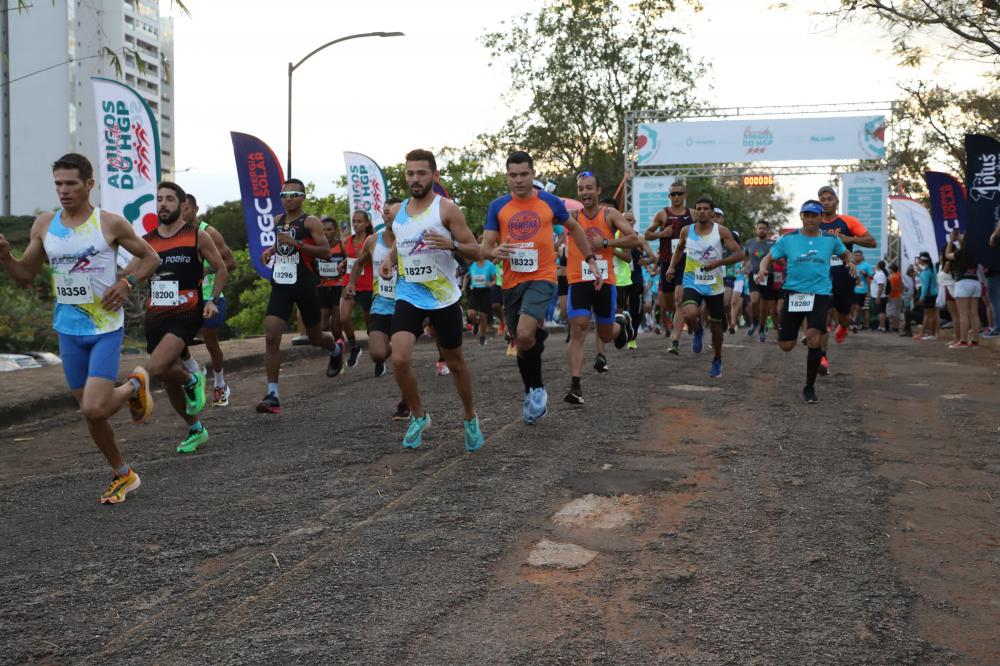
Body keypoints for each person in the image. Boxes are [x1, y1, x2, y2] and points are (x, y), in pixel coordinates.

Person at [0, 153, 159, 503]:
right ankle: (123, 474)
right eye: (58, 184)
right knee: (92, 414)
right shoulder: (44, 225)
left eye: (71, 183)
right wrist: (7, 257)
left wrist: (127, 282)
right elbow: (25, 275)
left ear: (89, 184)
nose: (64, 190)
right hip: (68, 330)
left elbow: (151, 257)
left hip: (105, 328)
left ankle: (134, 385)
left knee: (93, 408)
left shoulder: (110, 223)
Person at [482, 151, 599, 424]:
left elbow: (575, 229)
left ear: (533, 174)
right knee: (522, 342)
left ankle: (536, 392)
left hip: (542, 277)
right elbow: (485, 247)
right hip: (511, 282)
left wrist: (591, 259)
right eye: (513, 175)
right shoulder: (498, 206)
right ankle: (533, 389)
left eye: (524, 174)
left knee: (524, 335)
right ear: (507, 177)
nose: (519, 180)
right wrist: (494, 251)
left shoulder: (549, 201)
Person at [380, 149, 483, 451]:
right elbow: (402, 242)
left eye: (421, 173)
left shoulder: (447, 209)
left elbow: (476, 250)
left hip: (443, 298)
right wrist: (389, 260)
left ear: (434, 176)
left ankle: (470, 416)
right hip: (409, 293)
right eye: (410, 173)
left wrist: (451, 244)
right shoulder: (398, 212)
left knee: (456, 363)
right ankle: (419, 415)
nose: (415, 179)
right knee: (399, 358)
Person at [132, 182, 228, 454]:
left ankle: (192, 379)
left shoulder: (197, 235)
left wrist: (212, 300)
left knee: (157, 366)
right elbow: (129, 272)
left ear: (182, 204)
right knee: (167, 378)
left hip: (187, 309)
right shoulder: (146, 241)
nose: (163, 204)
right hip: (156, 313)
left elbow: (222, 269)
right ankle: (195, 429)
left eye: (169, 199)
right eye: (159, 199)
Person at [256, 178, 344, 414]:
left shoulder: (310, 222)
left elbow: (326, 252)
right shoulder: (278, 220)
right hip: (281, 284)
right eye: (285, 195)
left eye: (294, 195)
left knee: (315, 337)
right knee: (271, 336)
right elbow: (282, 245)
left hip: (305, 285)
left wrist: (297, 244)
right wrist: (270, 251)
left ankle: (335, 350)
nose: (289, 199)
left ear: (303, 197)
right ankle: (272, 395)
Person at [760, 200, 853, 404]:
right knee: (786, 345)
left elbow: (845, 252)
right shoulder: (788, 239)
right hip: (794, 293)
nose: (810, 219)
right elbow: (768, 258)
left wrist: (850, 262)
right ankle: (798, 336)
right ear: (801, 217)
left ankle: (809, 387)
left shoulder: (830, 239)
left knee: (814, 338)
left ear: (821, 218)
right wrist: (762, 269)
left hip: (819, 293)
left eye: (814, 215)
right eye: (807, 215)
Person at [563, 173, 638, 404]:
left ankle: (621, 326)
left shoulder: (610, 214)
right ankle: (575, 386)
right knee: (578, 327)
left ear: (598, 190)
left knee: (605, 334)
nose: (585, 192)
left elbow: (634, 239)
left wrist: (606, 242)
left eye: (589, 188)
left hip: (604, 281)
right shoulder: (572, 217)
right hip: (578, 278)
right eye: (581, 189)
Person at [665, 197, 745, 378]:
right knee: (689, 313)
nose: (702, 211)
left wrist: (718, 263)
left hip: (714, 284)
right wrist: (671, 267)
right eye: (698, 208)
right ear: (695, 212)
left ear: (711, 213)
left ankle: (717, 359)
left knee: (716, 327)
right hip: (692, 280)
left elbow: (739, 254)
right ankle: (698, 330)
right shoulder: (687, 231)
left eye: (705, 209)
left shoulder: (721, 231)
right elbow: (679, 250)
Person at [347, 198, 409, 419]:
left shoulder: (411, 238)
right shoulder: (373, 240)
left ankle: (406, 402)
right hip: (381, 303)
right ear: (382, 216)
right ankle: (395, 351)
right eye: (386, 212)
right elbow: (359, 263)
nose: (389, 215)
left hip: (406, 305)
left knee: (401, 359)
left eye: (394, 212)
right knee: (377, 354)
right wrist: (351, 283)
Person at [178, 193, 237, 407]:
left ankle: (220, 383)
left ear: (195, 210)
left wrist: (206, 269)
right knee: (174, 341)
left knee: (211, 341)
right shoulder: (174, 233)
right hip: (184, 296)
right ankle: (196, 370)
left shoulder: (208, 232)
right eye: (179, 209)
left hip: (209, 296)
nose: (181, 213)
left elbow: (231, 263)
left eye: (185, 209)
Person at [817, 185, 876, 371]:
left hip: (843, 272)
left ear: (836, 201)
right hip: (820, 273)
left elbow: (872, 241)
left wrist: (850, 239)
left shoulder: (848, 221)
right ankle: (822, 358)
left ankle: (844, 326)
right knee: (821, 314)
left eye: (830, 199)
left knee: (843, 315)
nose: (826, 202)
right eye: (822, 199)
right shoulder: (814, 222)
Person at [645, 181, 691, 347]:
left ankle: (675, 339)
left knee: (679, 301)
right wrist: (662, 234)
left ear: (685, 195)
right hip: (667, 262)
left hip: (686, 262)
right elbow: (647, 234)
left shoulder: (692, 214)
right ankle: (675, 319)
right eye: (673, 194)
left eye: (679, 193)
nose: (676, 197)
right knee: (667, 304)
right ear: (669, 196)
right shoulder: (662, 214)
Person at [341, 210, 374, 368]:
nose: (356, 224)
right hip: (349, 284)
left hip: (367, 285)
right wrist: (342, 264)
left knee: (370, 325)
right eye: (354, 221)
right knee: (343, 318)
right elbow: (348, 259)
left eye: (359, 221)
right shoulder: (346, 241)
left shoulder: (372, 240)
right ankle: (354, 347)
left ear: (367, 223)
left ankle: (377, 353)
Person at [944, 234, 982, 348]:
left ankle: (963, 341)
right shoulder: (976, 252)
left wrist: (950, 241)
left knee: (963, 315)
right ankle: (975, 341)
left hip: (963, 283)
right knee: (974, 314)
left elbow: (947, 255)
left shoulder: (960, 252)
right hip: (976, 282)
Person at [743, 221, 777, 344]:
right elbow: (745, 256)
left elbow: (777, 258)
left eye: (764, 228)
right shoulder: (749, 243)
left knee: (764, 307)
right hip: (754, 275)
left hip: (768, 276)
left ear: (768, 230)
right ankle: (755, 322)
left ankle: (762, 328)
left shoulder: (773, 244)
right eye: (760, 228)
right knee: (754, 300)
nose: (762, 230)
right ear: (756, 229)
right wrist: (746, 266)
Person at [316, 216, 347, 345]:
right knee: (323, 325)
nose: (326, 233)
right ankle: (335, 347)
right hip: (322, 287)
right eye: (323, 230)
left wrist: (343, 267)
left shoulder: (341, 245)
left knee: (335, 325)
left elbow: (352, 261)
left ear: (335, 230)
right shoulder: (317, 247)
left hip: (338, 287)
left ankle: (342, 347)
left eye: (329, 230)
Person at [464, 245, 499, 346]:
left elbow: (495, 279)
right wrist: (463, 287)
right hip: (475, 292)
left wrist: (491, 284)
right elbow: (466, 276)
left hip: (485, 292)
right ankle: (476, 323)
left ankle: (482, 336)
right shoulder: (472, 265)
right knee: (471, 313)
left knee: (483, 316)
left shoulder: (490, 265)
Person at [916, 252, 939, 339]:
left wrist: (922, 297)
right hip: (933, 294)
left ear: (922, 260)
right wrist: (919, 273)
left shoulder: (926, 271)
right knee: (932, 315)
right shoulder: (931, 268)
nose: (918, 261)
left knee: (930, 315)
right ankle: (932, 333)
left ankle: (931, 334)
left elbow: (925, 285)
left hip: (928, 295)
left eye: (919, 259)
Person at [850, 250, 873, 332]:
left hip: (862, 290)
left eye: (859, 255)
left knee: (858, 306)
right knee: (852, 306)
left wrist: (865, 274)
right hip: (851, 289)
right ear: (853, 256)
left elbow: (871, 277)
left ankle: (854, 321)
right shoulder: (851, 264)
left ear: (862, 256)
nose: (857, 257)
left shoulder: (866, 265)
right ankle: (853, 322)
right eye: (856, 255)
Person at [871, 260, 889, 331]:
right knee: (880, 312)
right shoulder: (878, 273)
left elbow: (881, 286)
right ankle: (880, 326)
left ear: (878, 266)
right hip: (878, 296)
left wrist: (878, 297)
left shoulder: (881, 274)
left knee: (881, 312)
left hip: (880, 297)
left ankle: (882, 327)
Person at [886, 262, 904, 332]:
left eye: (890, 269)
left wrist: (888, 296)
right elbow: (901, 285)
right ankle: (896, 326)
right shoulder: (899, 275)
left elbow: (892, 287)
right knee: (897, 312)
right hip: (898, 295)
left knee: (892, 312)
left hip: (893, 296)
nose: (889, 270)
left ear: (892, 269)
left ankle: (894, 326)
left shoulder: (892, 277)